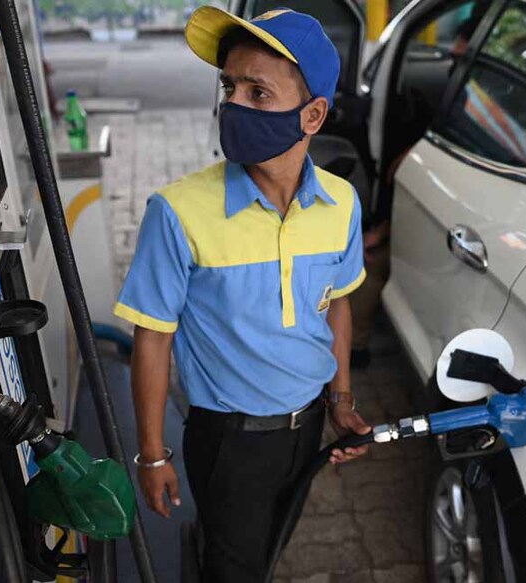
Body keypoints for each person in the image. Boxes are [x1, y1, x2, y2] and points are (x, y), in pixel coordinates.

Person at [113, 7, 372, 582]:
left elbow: (339, 304)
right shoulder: (178, 211)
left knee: (268, 547)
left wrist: (341, 400)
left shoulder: (341, 204)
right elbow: (153, 336)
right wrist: (152, 455)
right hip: (228, 440)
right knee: (235, 569)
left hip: (307, 428)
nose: (234, 106)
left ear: (313, 115)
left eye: (259, 92)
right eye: (230, 87)